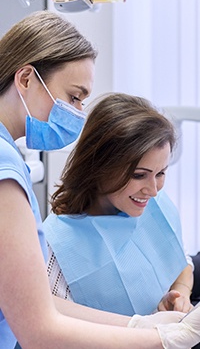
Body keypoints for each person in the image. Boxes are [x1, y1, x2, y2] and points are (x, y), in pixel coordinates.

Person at [2, 9, 200, 349]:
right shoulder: (5, 169)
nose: (79, 112)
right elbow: (38, 328)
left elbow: (35, 303)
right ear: (26, 79)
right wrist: (164, 338)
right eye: (74, 96)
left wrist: (142, 325)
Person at [44, 93, 193, 318]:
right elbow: (53, 328)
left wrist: (180, 293)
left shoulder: (153, 205)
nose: (153, 190)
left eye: (160, 173)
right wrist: (147, 331)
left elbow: (181, 261)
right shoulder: (56, 247)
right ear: (100, 166)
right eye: (139, 175)